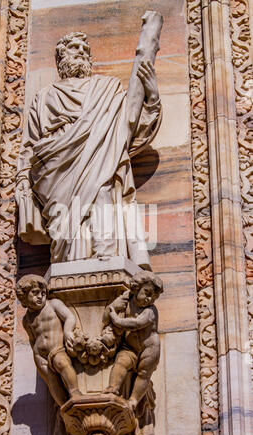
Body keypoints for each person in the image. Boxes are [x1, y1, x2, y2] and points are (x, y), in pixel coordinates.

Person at [16, 32, 161, 269]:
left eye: (85, 48)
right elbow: (30, 146)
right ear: (61, 56)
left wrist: (152, 96)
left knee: (102, 192)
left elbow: (130, 129)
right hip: (56, 177)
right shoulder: (42, 98)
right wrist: (23, 178)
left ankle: (105, 262)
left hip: (100, 166)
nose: (81, 51)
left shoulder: (107, 89)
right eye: (74, 47)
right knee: (67, 240)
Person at [16, 274, 81, 406]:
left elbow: (69, 317)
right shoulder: (26, 319)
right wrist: (36, 354)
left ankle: (75, 392)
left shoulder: (53, 305)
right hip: (40, 355)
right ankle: (64, 406)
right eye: (35, 293)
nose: (40, 296)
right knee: (52, 381)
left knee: (62, 364)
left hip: (57, 348)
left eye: (43, 293)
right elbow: (32, 339)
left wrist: (68, 331)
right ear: (24, 296)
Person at [104, 271, 163, 410]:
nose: (149, 299)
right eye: (147, 292)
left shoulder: (150, 311)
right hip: (129, 347)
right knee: (121, 363)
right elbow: (108, 313)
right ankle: (112, 388)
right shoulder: (126, 301)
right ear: (137, 288)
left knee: (143, 374)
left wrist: (117, 320)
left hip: (149, 350)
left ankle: (134, 400)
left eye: (154, 296)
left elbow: (137, 323)